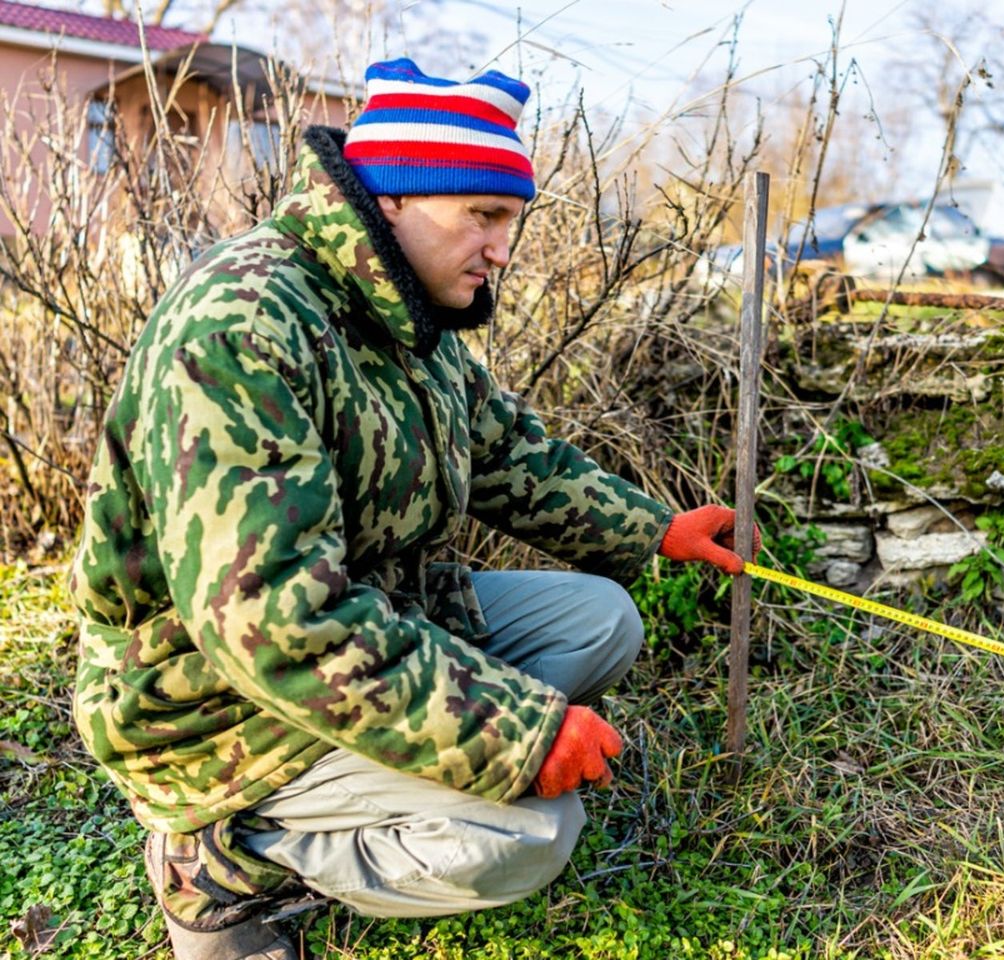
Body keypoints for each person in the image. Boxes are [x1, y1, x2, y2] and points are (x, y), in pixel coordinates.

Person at [69, 58, 760, 960]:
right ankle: (223, 858)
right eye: (484, 217)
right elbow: (276, 619)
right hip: (210, 701)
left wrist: (649, 529)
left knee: (602, 621)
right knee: (527, 834)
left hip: (378, 617)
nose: (502, 249)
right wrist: (513, 731)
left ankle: (387, 768)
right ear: (392, 201)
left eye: (509, 220)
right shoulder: (242, 327)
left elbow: (506, 449)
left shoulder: (401, 310)